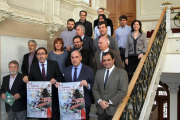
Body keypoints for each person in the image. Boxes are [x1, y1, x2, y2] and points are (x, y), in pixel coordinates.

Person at [23, 47, 63, 120]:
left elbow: (60, 76)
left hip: (53, 97)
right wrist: (26, 78)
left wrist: (56, 80)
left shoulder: (54, 64)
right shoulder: (33, 66)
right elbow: (31, 80)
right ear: (36, 56)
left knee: (55, 117)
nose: (41, 56)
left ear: (46, 55)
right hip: (40, 99)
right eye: (39, 54)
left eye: (43, 54)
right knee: (42, 118)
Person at [92, 52, 128, 120]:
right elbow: (95, 89)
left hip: (115, 109)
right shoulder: (99, 73)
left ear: (113, 60)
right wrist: (100, 101)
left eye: (108, 60)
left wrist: (109, 102)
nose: (106, 62)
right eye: (104, 60)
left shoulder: (122, 73)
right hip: (101, 110)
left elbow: (123, 91)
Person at [63, 50, 94, 120]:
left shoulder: (88, 70)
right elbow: (64, 84)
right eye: (72, 57)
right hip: (70, 103)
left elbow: (94, 86)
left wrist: (87, 85)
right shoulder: (67, 70)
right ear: (70, 59)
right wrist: (59, 85)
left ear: (80, 58)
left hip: (84, 103)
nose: (74, 59)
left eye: (76, 57)